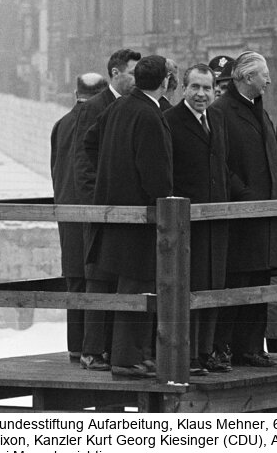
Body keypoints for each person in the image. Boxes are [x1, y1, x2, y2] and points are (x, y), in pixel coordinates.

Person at [85, 55, 173, 378]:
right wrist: (161, 199)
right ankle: (127, 359)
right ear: (164, 82)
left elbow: (90, 140)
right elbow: (155, 171)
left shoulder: (120, 106)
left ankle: (135, 356)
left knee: (132, 285)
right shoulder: (150, 114)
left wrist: (110, 176)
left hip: (117, 210)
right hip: (143, 215)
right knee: (137, 286)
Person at [210, 51, 277, 368]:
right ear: (245, 77)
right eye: (264, 74)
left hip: (264, 215)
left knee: (259, 282)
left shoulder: (260, 112)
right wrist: (245, 195)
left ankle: (251, 346)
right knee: (236, 282)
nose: (269, 80)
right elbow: (220, 163)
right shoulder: (222, 112)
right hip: (240, 216)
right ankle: (223, 346)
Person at [163, 63, 240, 374]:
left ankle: (206, 351)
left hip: (216, 217)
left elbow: (222, 165)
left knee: (214, 284)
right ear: (184, 89)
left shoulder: (218, 119)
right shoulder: (170, 121)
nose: (201, 94)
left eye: (207, 88)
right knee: (190, 285)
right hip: (187, 220)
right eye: (195, 87)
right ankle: (190, 355)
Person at [71, 48, 141, 371]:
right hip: (100, 211)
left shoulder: (128, 106)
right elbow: (82, 163)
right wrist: (94, 208)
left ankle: (111, 350)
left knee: (115, 278)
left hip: (121, 211)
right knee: (97, 279)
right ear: (115, 73)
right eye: (132, 72)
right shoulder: (96, 107)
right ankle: (92, 350)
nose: (137, 79)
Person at [50, 72, 108, 361]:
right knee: (97, 279)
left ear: (76, 94)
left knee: (75, 279)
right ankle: (93, 347)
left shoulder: (61, 125)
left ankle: (76, 346)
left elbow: (55, 170)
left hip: (67, 213)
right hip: (91, 213)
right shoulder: (99, 121)